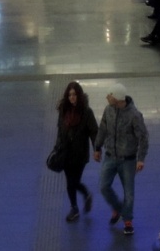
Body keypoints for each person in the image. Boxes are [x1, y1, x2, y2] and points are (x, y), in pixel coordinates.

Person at [93, 83, 149, 236]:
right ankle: (118, 209)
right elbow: (103, 129)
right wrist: (97, 147)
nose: (106, 97)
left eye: (109, 95)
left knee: (129, 193)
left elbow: (143, 137)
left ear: (117, 98)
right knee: (104, 186)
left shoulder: (134, 116)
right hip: (110, 156)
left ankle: (127, 220)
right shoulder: (108, 110)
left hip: (128, 160)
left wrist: (140, 159)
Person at [55, 81, 99, 222]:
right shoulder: (63, 110)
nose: (72, 97)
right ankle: (74, 207)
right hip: (66, 153)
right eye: (69, 95)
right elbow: (60, 129)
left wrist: (96, 148)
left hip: (80, 154)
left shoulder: (86, 112)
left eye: (74, 94)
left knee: (74, 181)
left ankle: (85, 195)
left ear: (79, 95)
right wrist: (58, 146)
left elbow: (94, 132)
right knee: (70, 182)